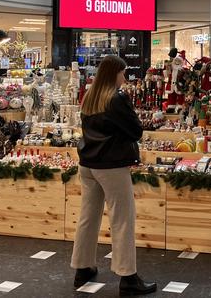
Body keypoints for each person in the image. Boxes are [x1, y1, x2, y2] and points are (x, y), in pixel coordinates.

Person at [70, 55, 156, 295]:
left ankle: (82, 268)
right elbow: (136, 130)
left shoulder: (90, 97)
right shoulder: (116, 99)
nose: (125, 77)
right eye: (123, 73)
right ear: (114, 74)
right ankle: (128, 277)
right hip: (111, 165)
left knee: (88, 217)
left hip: (88, 164)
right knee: (122, 219)